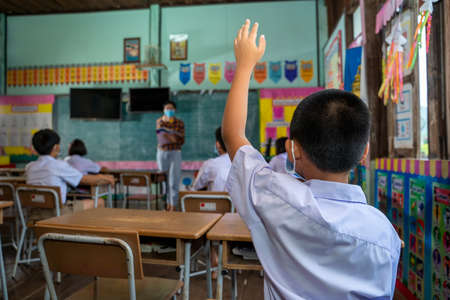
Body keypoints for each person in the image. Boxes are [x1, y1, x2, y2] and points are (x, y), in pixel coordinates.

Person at [222, 20, 401, 299]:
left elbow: (232, 135)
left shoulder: (274, 195)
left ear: (294, 150)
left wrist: (244, 65)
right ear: (364, 152)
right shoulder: (384, 234)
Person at [26, 129, 115, 214]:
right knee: (100, 202)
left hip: (34, 213)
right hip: (56, 213)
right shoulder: (58, 165)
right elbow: (84, 179)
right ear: (56, 147)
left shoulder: (30, 167)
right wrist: (105, 178)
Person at [156, 100, 185, 211]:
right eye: (167, 108)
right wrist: (173, 137)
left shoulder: (180, 123)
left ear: (175, 110)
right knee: (164, 180)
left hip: (175, 152)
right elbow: (163, 137)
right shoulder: (159, 121)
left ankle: (172, 206)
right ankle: (166, 204)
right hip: (162, 152)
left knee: (174, 180)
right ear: (164, 110)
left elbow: (181, 140)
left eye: (171, 108)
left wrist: (170, 137)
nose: (169, 110)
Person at [193, 127, 231, 191]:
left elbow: (195, 187)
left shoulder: (210, 164)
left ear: (218, 144)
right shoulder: (242, 164)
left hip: (216, 200)